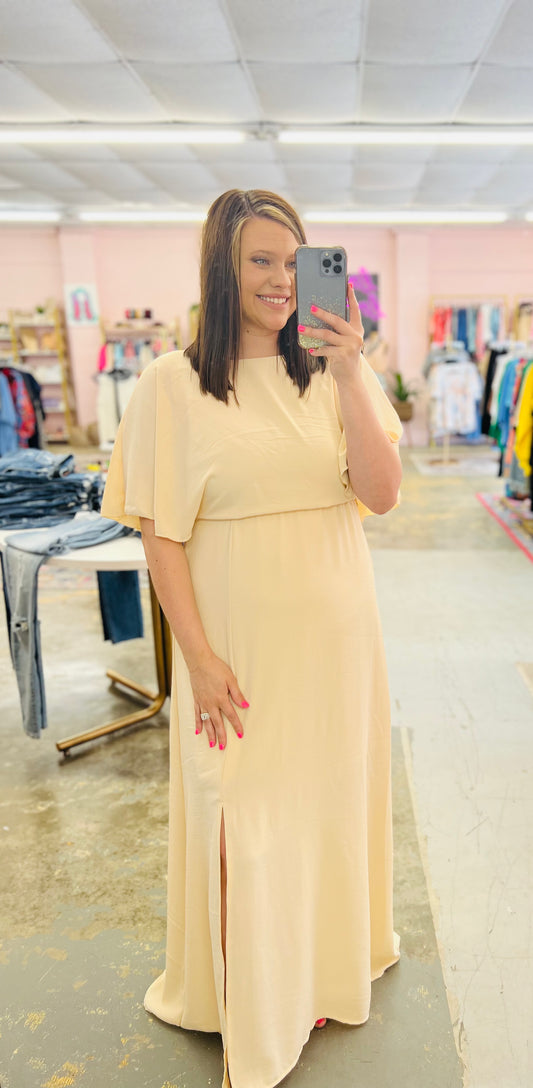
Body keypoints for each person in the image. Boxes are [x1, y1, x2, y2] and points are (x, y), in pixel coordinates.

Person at [101, 189, 403, 1088]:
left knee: (322, 810)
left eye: (292, 260)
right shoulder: (172, 383)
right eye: (259, 261)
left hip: (336, 642)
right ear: (222, 271)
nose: (280, 280)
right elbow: (160, 534)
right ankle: (252, 1017)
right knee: (240, 819)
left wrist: (349, 371)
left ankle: (318, 975)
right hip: (235, 648)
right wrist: (195, 658)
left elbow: (381, 494)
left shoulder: (336, 374)